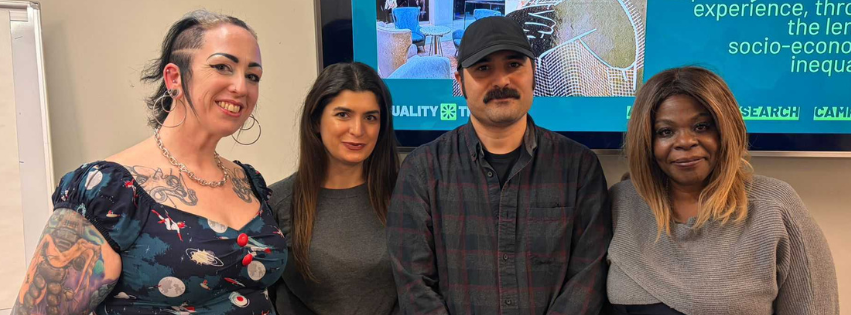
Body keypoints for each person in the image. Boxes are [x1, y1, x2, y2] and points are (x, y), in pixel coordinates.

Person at [12, 10, 286, 315]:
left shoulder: (249, 182)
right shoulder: (109, 191)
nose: (241, 87)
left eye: (253, 76)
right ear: (174, 78)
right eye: (223, 67)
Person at [386, 16, 611, 314]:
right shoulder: (422, 170)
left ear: (532, 72)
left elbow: (588, 280)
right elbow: (414, 285)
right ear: (460, 82)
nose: (501, 80)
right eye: (483, 68)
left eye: (514, 65)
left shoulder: (580, 168)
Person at [607, 66, 839, 314]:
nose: (685, 142)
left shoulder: (775, 207)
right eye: (665, 131)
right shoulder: (620, 202)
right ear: (647, 142)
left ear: (726, 130)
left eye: (702, 126)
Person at [268, 62, 401, 314]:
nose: (358, 130)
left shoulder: (407, 196)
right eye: (343, 115)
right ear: (316, 121)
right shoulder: (278, 202)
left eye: (370, 117)